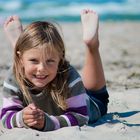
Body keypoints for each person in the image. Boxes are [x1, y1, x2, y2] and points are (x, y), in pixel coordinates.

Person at [0, 9, 109, 131]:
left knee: (97, 95)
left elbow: (81, 117)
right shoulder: (14, 75)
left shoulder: (70, 76)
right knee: (29, 60)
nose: (41, 68)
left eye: (50, 61)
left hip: (87, 102)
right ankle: (21, 47)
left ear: (60, 58)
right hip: (23, 64)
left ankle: (92, 45)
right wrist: (22, 118)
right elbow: (5, 117)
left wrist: (49, 122)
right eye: (34, 61)